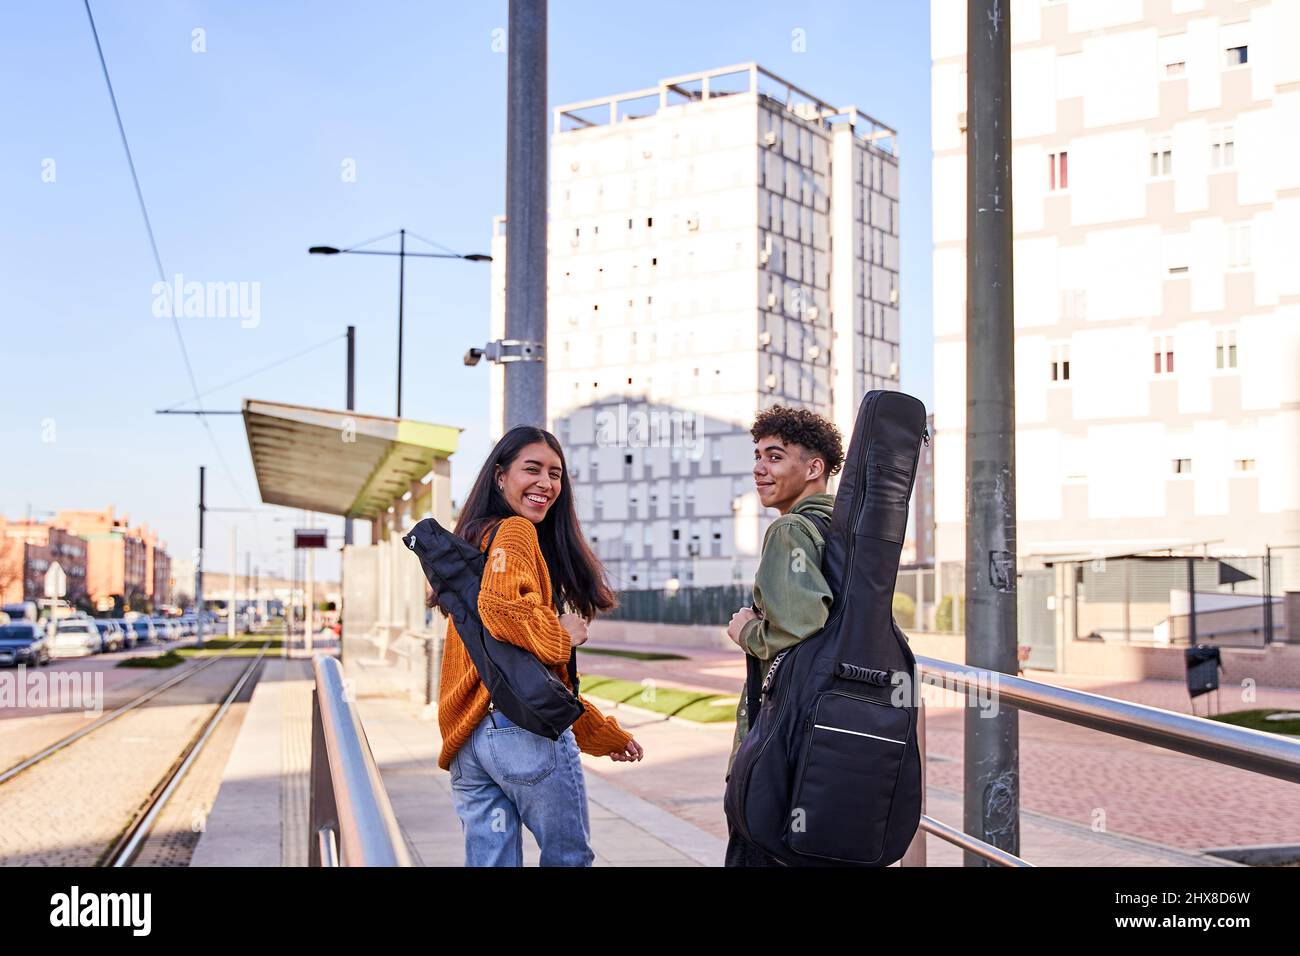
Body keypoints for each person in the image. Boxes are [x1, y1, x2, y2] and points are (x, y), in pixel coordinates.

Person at [437, 425, 645, 866]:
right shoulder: (514, 533)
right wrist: (562, 634)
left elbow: (515, 672)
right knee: (567, 858)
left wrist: (597, 733)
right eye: (531, 469)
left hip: (468, 745)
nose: (546, 484)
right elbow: (503, 610)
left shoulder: (473, 544)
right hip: (519, 738)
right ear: (499, 476)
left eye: (555, 474)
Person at [723, 405, 844, 866]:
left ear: (814, 468)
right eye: (757, 455)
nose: (758, 468)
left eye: (774, 457)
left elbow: (799, 624)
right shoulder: (844, 528)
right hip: (827, 739)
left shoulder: (791, 529)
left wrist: (746, 630)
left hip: (780, 740)